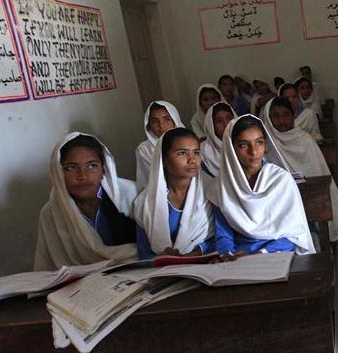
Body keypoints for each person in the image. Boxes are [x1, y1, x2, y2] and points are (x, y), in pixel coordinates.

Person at [208, 115, 316, 255]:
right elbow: (223, 235)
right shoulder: (220, 187)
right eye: (243, 145)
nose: (253, 151)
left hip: (277, 253)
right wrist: (228, 254)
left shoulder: (281, 181)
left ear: (266, 145)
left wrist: (261, 254)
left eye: (259, 143)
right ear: (231, 148)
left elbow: (293, 234)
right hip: (239, 257)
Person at [34, 133, 138, 270]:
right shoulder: (51, 213)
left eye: (91, 166)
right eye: (71, 168)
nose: (82, 176)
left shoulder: (132, 195)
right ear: (58, 173)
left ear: (104, 168)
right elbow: (47, 268)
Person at [261, 97, 338, 242]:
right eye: (276, 116)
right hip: (279, 208)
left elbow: (319, 174)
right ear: (268, 118)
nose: (281, 121)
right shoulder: (266, 144)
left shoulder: (304, 140)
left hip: (311, 199)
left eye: (286, 115)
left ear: (293, 116)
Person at [133, 128, 215, 259]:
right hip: (161, 270)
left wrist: (197, 252)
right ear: (163, 159)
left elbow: (224, 238)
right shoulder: (146, 201)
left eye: (196, 152)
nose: (192, 160)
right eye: (182, 153)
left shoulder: (212, 191)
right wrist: (162, 257)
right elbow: (144, 251)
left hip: (205, 263)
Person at [135, 101, 183, 190]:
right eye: (154, 121)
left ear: (175, 120)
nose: (161, 125)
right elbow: (154, 178)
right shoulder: (144, 149)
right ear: (148, 126)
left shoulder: (188, 142)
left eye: (167, 119)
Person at [201, 102, 237, 180]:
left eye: (229, 118)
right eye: (219, 121)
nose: (226, 124)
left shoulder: (245, 145)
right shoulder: (205, 152)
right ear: (212, 126)